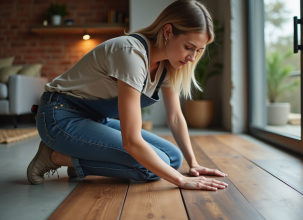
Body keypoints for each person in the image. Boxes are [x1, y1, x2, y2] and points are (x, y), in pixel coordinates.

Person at [27, 0, 228, 191]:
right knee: (150, 166)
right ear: (168, 31)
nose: (192, 58)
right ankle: (55, 157)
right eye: (189, 47)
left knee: (173, 158)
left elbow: (175, 117)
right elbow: (131, 141)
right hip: (59, 117)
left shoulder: (167, 65)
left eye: (199, 51)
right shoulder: (132, 54)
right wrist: (181, 180)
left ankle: (79, 153)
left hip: (94, 120)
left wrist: (193, 164)